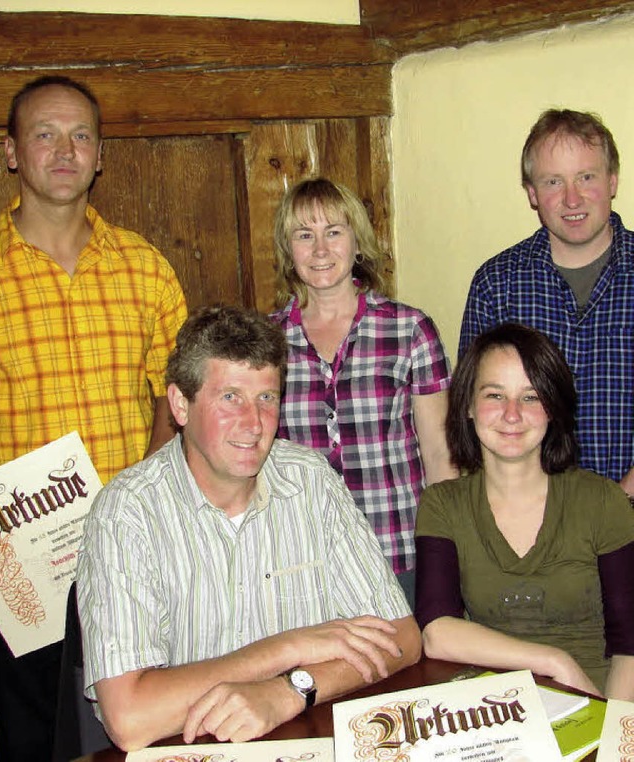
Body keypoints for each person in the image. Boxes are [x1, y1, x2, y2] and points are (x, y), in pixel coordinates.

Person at [77, 305, 421, 752]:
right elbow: (130, 717)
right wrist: (286, 649)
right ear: (181, 404)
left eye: (267, 398)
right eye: (230, 397)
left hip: (301, 739)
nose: (254, 423)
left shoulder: (311, 481)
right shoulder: (126, 513)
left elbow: (402, 637)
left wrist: (292, 689)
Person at [0, 76, 187, 762]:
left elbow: (179, 395)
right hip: (18, 569)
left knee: (138, 735)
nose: (64, 151)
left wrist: (148, 491)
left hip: (132, 552)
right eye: (44, 134)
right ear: (13, 152)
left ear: (101, 154)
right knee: (33, 737)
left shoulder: (145, 268)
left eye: (80, 136)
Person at [415, 323, 634, 699]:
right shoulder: (442, 504)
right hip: (495, 715)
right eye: (495, 395)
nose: (512, 414)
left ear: (554, 408)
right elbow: (437, 632)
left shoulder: (602, 501)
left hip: (598, 702)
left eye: (531, 397)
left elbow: (630, 647)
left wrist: (615, 730)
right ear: (467, 405)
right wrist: (553, 661)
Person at [270, 177, 456, 605]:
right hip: (304, 561)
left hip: (399, 554)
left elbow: (440, 458)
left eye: (334, 232)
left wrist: (446, 554)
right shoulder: (266, 341)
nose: (320, 250)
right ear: (288, 251)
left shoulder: (409, 330)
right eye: (304, 235)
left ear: (358, 242)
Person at [459, 109, 634, 496]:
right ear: (533, 194)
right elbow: (475, 410)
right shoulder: (496, 284)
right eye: (553, 181)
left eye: (586, 177)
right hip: (528, 520)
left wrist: (619, 501)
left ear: (612, 181)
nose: (572, 198)